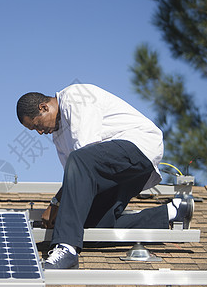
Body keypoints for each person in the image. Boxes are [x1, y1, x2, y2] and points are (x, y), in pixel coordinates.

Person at [16, 83, 194, 269]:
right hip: (119, 170)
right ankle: (172, 212)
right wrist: (56, 205)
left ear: (44, 108)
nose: (39, 132)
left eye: (37, 125)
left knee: (79, 160)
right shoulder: (59, 138)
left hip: (138, 146)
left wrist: (56, 205)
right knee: (90, 230)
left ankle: (66, 248)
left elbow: (84, 154)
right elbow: (76, 180)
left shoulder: (74, 96)